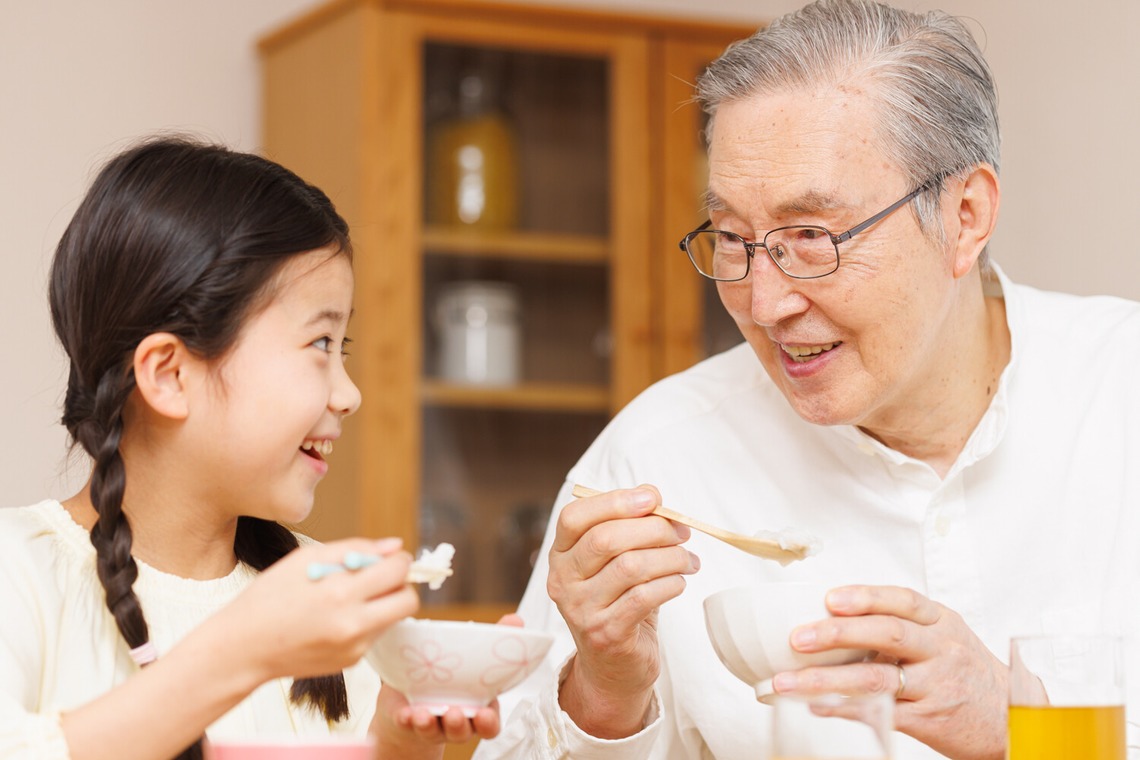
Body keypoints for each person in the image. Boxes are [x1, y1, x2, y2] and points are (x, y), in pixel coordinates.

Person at [474, 1, 1140, 758]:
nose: (764, 305)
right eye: (733, 238)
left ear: (965, 215)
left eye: (813, 237)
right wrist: (604, 693)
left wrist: (1025, 731)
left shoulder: (1121, 388)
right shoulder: (654, 459)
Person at [0, 137, 507, 760]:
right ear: (169, 374)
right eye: (320, 343)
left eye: (342, 348)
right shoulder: (17, 572)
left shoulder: (320, 596)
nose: (350, 395)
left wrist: (397, 744)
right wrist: (243, 650)